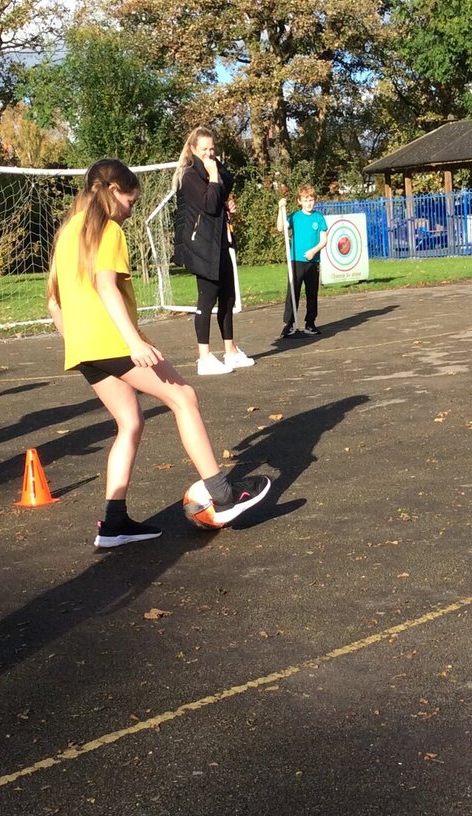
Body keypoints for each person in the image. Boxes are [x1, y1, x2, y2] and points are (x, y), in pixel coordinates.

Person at [46, 159, 271, 548]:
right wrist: (132, 341)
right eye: (131, 203)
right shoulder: (108, 228)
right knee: (183, 397)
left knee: (130, 422)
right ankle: (222, 495)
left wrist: (79, 345)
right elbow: (105, 287)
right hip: (111, 340)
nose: (131, 212)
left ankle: (113, 524)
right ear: (113, 192)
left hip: (83, 347)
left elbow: (53, 302)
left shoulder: (67, 232)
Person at [171, 128, 254, 375]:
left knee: (228, 296)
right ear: (193, 150)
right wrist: (214, 175)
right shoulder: (189, 175)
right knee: (207, 299)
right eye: (204, 149)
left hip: (219, 240)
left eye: (212, 149)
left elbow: (226, 185)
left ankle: (230, 352)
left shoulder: (214, 168)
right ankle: (204, 358)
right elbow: (208, 204)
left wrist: (227, 200)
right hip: (200, 243)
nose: (210, 154)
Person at [276, 184, 329, 337]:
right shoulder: (295, 216)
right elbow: (281, 228)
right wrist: (280, 209)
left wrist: (313, 251)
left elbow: (323, 240)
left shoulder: (319, 218)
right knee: (293, 291)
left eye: (311, 200)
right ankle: (289, 323)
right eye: (305, 200)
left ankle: (310, 323)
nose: (309, 203)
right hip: (296, 260)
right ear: (299, 201)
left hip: (313, 262)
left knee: (312, 293)